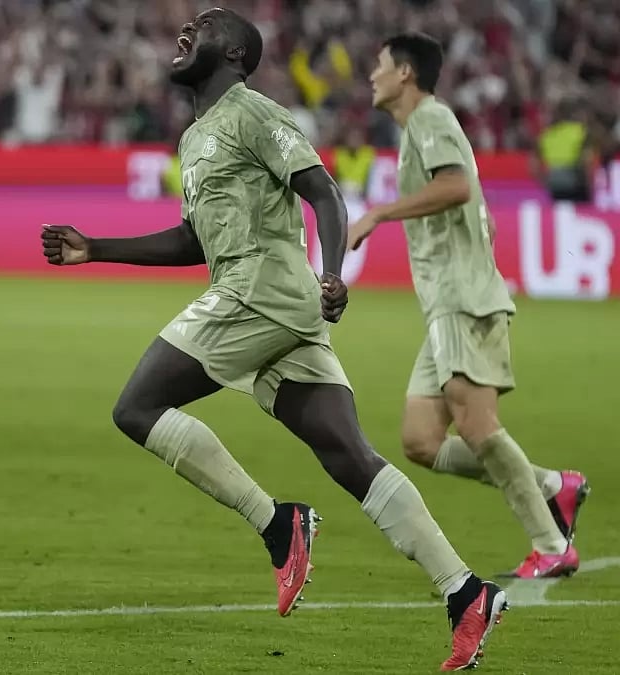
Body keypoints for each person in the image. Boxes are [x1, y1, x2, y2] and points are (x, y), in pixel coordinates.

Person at [41, 10, 505, 671]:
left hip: (260, 290)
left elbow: (324, 195)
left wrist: (334, 271)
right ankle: (466, 589)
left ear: (230, 52)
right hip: (272, 303)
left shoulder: (253, 113)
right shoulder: (196, 137)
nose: (182, 33)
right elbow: (191, 240)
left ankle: (276, 522)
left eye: (199, 27)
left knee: (136, 407)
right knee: (349, 455)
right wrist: (97, 249)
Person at [350, 32, 588, 580]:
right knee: (421, 440)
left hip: (460, 299)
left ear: (405, 73)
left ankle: (550, 543)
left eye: (380, 65)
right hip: (447, 303)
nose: (372, 75)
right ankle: (554, 486)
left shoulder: (430, 119)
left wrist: (381, 213)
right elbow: (478, 205)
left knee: (477, 426)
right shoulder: (421, 129)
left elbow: (456, 187)